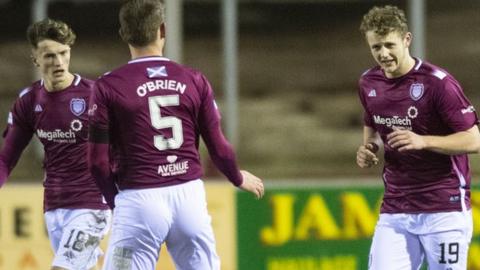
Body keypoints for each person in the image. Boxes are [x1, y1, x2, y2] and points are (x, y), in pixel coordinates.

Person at [87, 0, 264, 269]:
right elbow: (218, 145)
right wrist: (236, 176)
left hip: (139, 198)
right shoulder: (193, 79)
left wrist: (116, 201)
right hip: (189, 198)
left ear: (123, 34)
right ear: (163, 30)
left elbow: (97, 163)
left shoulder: (107, 86)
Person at [356, 5, 480, 270]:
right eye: (376, 47)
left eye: (390, 45)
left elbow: (474, 140)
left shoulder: (438, 84)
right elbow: (375, 125)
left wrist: (424, 141)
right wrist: (369, 147)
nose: (383, 54)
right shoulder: (368, 83)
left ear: (407, 39)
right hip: (396, 209)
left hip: (443, 209)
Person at [0, 19, 112, 270]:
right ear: (35, 58)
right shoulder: (28, 102)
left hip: (92, 205)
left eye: (63, 53)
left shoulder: (94, 94)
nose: (59, 62)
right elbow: (7, 158)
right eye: (50, 56)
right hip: (54, 207)